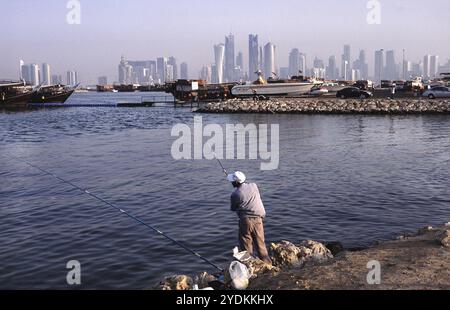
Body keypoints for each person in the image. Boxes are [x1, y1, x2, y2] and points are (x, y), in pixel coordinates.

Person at [227, 171, 272, 265]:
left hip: (246, 221)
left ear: (235, 182)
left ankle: (248, 266)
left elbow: (233, 208)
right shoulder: (254, 185)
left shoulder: (235, 194)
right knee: (260, 244)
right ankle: (268, 265)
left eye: (232, 181)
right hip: (258, 219)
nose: (231, 182)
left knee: (246, 244)